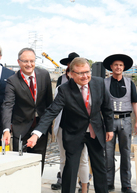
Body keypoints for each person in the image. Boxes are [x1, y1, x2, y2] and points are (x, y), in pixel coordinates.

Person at [27, 57, 114, 193]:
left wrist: (109, 128)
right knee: (70, 168)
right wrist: (36, 133)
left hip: (95, 131)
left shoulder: (99, 83)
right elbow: (51, 111)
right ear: (71, 74)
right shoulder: (64, 90)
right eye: (80, 73)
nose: (85, 76)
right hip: (74, 132)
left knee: (99, 168)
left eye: (87, 72)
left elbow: (107, 107)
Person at [2, 48, 53, 173]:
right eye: (25, 61)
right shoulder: (12, 81)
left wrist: (48, 125)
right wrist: (6, 129)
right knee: (19, 165)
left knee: (38, 163)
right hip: (21, 127)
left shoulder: (44, 75)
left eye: (32, 61)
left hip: (40, 126)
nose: (29, 64)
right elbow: (7, 105)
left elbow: (49, 103)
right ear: (18, 62)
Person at [103, 54, 137, 193]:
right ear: (111, 67)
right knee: (108, 153)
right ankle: (109, 183)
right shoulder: (104, 82)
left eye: (121, 65)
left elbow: (135, 102)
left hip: (126, 120)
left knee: (126, 152)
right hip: (108, 121)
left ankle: (126, 185)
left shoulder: (130, 83)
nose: (118, 67)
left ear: (124, 68)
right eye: (116, 65)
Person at [52, 69, 90, 193]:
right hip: (63, 128)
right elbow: (55, 109)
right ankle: (67, 186)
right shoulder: (61, 87)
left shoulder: (87, 88)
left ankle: (84, 187)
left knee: (83, 159)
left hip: (81, 129)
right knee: (63, 159)